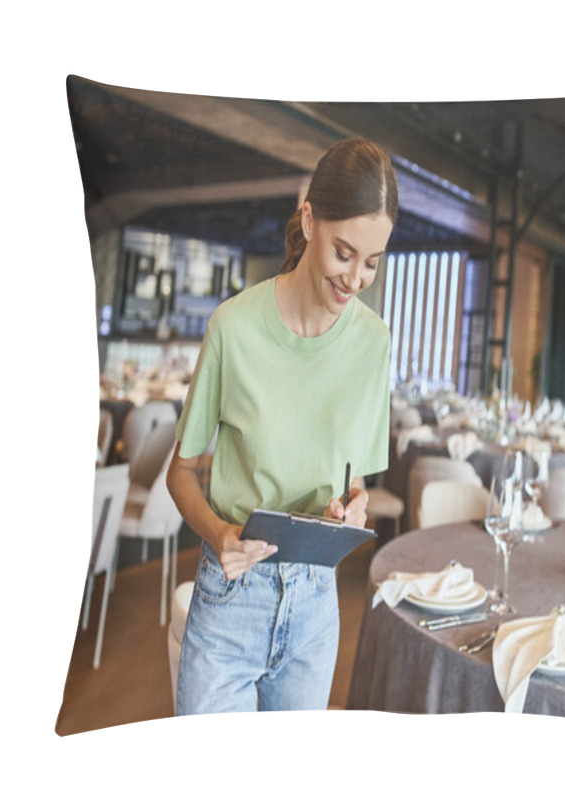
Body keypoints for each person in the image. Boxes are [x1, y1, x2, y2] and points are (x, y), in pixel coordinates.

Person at [167, 137, 398, 714]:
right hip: (230, 600)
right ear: (309, 219)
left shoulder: (373, 343)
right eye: (344, 253)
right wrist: (220, 535)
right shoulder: (233, 328)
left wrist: (354, 507)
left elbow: (355, 484)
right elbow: (181, 473)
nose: (356, 279)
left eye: (371, 263)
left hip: (316, 608)